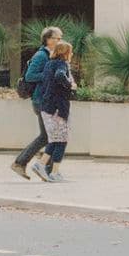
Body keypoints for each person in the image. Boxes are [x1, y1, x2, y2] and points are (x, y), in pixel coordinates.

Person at [12, 24, 63, 180]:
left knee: (49, 136)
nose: (60, 41)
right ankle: (23, 163)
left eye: (61, 38)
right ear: (48, 40)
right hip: (41, 100)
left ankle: (44, 169)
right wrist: (50, 76)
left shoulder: (52, 54)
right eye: (57, 38)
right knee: (48, 136)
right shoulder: (41, 56)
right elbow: (30, 76)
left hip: (47, 100)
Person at [31, 37, 76, 181]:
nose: (72, 54)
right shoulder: (62, 64)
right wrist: (70, 84)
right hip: (57, 108)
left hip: (47, 107)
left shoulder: (49, 64)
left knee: (55, 140)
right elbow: (60, 76)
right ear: (65, 53)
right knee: (62, 140)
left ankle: (42, 164)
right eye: (71, 52)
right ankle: (54, 172)